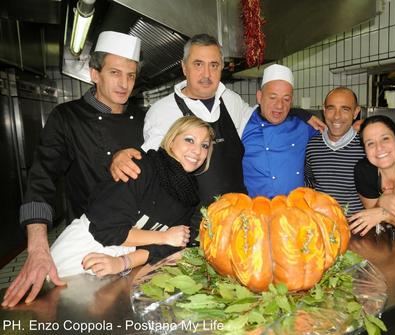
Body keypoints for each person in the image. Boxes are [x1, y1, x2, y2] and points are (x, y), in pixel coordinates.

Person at [110, 34, 324, 240]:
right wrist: (122, 157)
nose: (206, 74)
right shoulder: (162, 111)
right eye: (198, 64)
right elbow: (150, 170)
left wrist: (299, 113)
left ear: (221, 68)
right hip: (194, 231)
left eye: (213, 65)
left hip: (241, 225)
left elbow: (266, 114)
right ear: (184, 67)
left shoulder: (231, 101)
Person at [3, 31, 144, 307]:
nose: (124, 84)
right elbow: (41, 180)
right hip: (88, 245)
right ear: (94, 73)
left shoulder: (143, 118)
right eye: (115, 72)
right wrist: (37, 247)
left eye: (131, 75)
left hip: (138, 244)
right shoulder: (67, 118)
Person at [50, 116, 214, 277]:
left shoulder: (190, 196)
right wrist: (163, 236)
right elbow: (107, 229)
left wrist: (123, 262)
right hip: (83, 249)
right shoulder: (139, 168)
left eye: (205, 145)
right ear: (171, 141)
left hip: (126, 262)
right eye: (189, 140)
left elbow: (170, 245)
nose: (198, 150)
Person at [305, 87, 395, 216]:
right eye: (331, 108)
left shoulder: (366, 143)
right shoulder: (312, 145)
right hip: (322, 224)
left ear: (356, 112)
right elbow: (309, 181)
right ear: (324, 110)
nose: (337, 116)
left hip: (360, 225)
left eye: (345, 109)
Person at [242, 64, 318, 198]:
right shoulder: (242, 125)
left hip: (293, 212)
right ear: (259, 97)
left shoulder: (303, 126)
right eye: (272, 97)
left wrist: (359, 128)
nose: (279, 106)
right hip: (254, 214)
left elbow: (334, 138)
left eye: (286, 99)